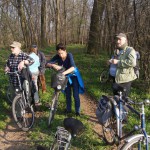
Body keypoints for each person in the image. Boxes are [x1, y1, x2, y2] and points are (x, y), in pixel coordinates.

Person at [46, 43, 84, 116]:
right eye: (59, 53)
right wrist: (53, 65)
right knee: (67, 94)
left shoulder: (69, 55)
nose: (60, 55)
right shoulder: (58, 56)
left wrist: (63, 73)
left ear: (65, 51)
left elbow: (73, 67)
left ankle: (77, 112)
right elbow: (47, 64)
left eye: (62, 53)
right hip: (65, 78)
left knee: (75, 95)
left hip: (74, 77)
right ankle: (68, 109)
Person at [109, 33, 137, 97]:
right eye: (117, 39)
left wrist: (118, 62)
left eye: (120, 39)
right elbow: (115, 61)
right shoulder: (117, 50)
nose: (117, 41)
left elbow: (132, 62)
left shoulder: (130, 50)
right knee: (116, 99)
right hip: (115, 79)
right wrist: (110, 62)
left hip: (124, 81)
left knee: (122, 102)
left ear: (125, 40)